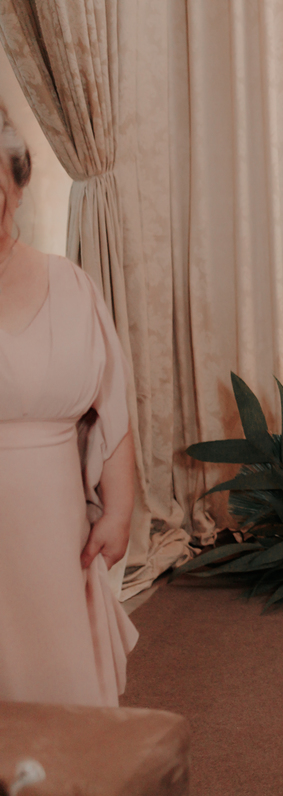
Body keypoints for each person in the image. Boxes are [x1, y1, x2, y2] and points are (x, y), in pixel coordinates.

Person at [0, 100, 138, 706]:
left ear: (17, 184)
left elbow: (111, 408)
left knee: (60, 681)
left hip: (53, 521)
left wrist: (119, 509)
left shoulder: (71, 285)